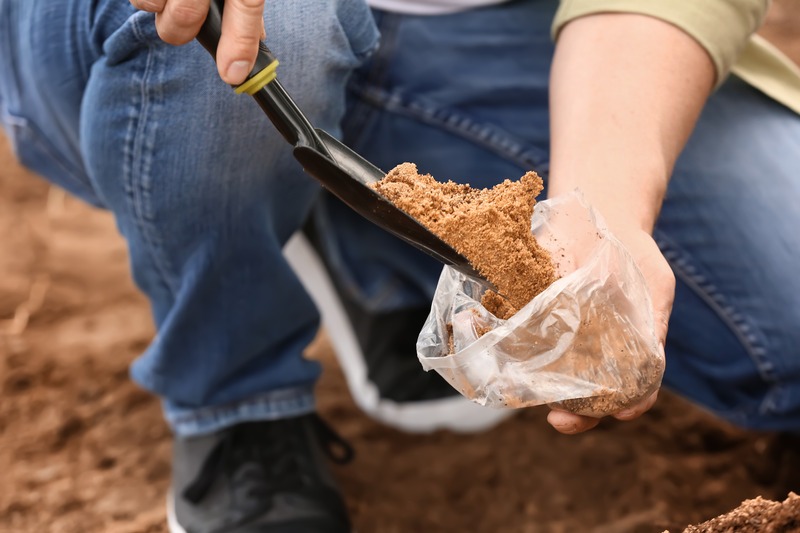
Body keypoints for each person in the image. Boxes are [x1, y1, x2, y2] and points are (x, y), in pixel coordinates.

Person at [1, 2, 791, 533]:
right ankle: (235, 403)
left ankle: (369, 259)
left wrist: (604, 206)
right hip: (189, 26)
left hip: (502, 38)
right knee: (277, 31)